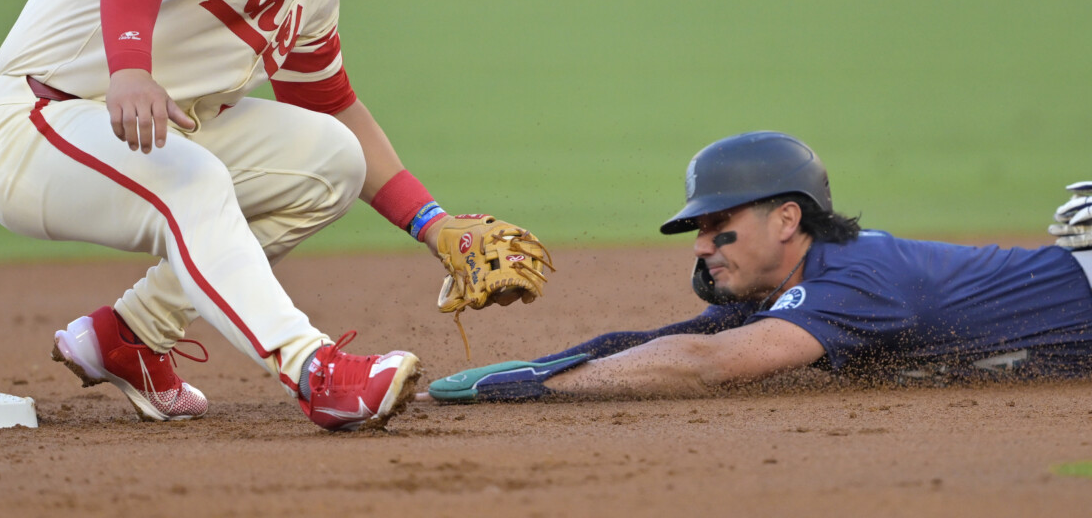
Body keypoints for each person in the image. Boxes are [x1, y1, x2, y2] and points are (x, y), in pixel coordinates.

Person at [0, 0, 541, 432]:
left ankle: (132, 336)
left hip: (129, 130)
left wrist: (432, 222)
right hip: (35, 124)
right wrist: (130, 66)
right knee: (195, 178)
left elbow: (333, 108)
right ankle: (315, 371)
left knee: (331, 161)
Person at [427, 131, 1092, 402]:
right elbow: (666, 344)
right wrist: (529, 370)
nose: (702, 245)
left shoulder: (858, 277)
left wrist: (541, 390)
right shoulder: (797, 282)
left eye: (721, 227)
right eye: (699, 230)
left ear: (786, 220)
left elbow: (705, 363)